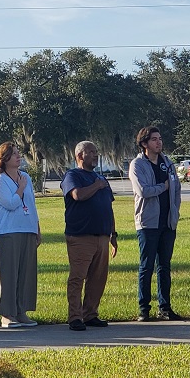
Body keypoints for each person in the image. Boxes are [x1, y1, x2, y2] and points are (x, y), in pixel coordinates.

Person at [61, 141, 118, 331]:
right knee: (78, 277)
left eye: (96, 151)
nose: (96, 155)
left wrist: (113, 234)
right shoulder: (72, 175)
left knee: (98, 278)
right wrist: (97, 185)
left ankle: (90, 314)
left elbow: (108, 207)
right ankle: (75, 317)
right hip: (80, 236)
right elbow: (78, 195)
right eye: (91, 152)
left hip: (102, 235)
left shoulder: (101, 178)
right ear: (80, 156)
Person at [129, 126, 182, 322]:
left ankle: (165, 307)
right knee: (147, 266)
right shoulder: (138, 165)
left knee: (164, 266)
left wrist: (175, 210)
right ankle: (144, 309)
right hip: (148, 223)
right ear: (144, 144)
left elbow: (177, 189)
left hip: (167, 223)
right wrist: (164, 186)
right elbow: (143, 191)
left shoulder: (167, 164)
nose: (159, 142)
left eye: (160, 139)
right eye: (154, 139)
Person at [0, 142, 40, 328]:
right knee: (9, 273)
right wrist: (19, 188)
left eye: (19, 154)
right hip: (9, 231)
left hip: (27, 228)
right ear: (4, 159)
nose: (19, 157)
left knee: (26, 273)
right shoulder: (0, 180)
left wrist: (37, 228)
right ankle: (7, 314)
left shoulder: (26, 176)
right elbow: (10, 203)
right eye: (14, 154)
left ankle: (22, 311)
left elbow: (32, 205)